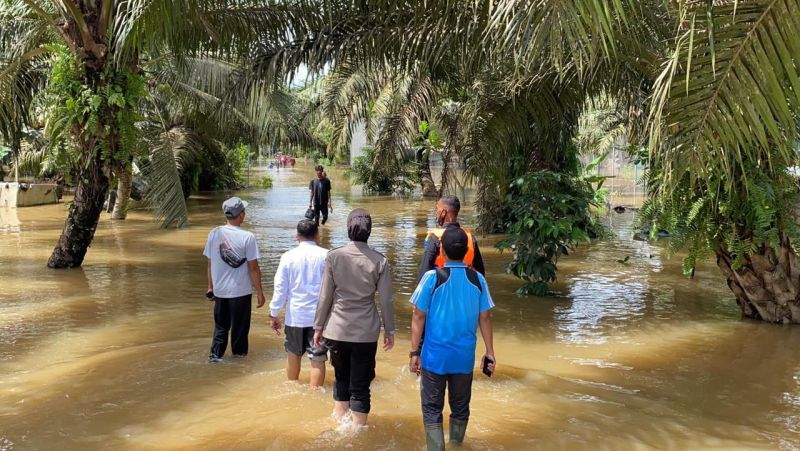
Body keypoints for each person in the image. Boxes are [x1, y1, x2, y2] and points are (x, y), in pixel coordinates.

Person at [409, 227, 496, 450]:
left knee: (431, 409)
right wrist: (490, 352)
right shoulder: (478, 280)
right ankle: (456, 445)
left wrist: (414, 352)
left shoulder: (432, 278)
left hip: (434, 358)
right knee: (460, 407)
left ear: (442, 250)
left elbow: (418, 316)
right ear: (467, 250)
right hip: (463, 359)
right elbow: (485, 318)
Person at [313, 208, 395, 428]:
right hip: (366, 332)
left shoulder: (334, 256)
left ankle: (339, 426)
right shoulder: (380, 261)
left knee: (341, 379)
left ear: (348, 229)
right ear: (370, 231)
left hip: (336, 330)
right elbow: (386, 300)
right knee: (360, 385)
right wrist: (390, 330)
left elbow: (325, 296)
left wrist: (318, 326)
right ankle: (358, 434)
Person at [203, 197, 266, 363]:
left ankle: (215, 358)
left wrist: (210, 287)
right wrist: (260, 292)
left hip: (220, 292)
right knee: (239, 330)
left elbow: (210, 263)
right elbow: (253, 268)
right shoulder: (248, 237)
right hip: (241, 292)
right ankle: (238, 363)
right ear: (242, 215)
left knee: (220, 328)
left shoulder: (214, 233)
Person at [268, 220, 329, 388]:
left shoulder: (288, 257)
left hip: (295, 316)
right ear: (317, 235)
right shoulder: (327, 255)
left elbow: (281, 289)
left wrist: (274, 314)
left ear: (297, 237)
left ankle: (292, 388)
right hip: (319, 318)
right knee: (317, 358)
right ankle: (315, 393)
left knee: (293, 355)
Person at [417, 195, 485, 283]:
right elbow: (480, 273)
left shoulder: (435, 238)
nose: (436, 213)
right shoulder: (470, 238)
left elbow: (423, 275)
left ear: (444, 212)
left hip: (441, 288)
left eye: (437, 209)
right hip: (465, 289)